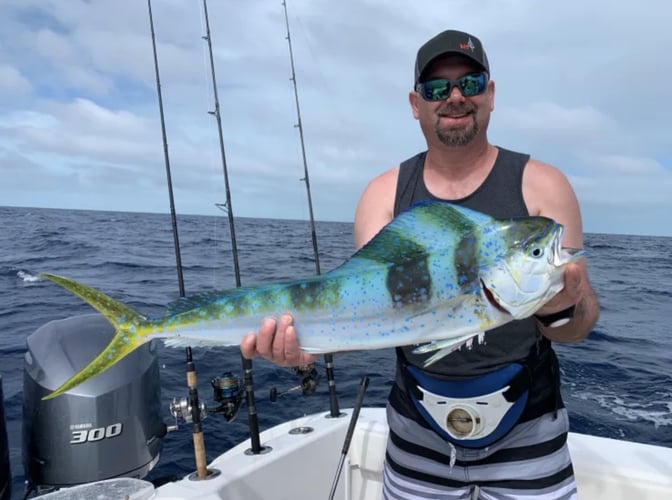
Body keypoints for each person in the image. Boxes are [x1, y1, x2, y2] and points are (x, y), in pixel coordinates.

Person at [241, 29, 599, 500]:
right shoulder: (383, 194)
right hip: (417, 437)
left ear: (490, 95)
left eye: (469, 83)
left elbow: (579, 326)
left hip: (529, 433)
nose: (454, 97)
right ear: (416, 104)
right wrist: (306, 346)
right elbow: (369, 318)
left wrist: (562, 307)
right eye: (436, 89)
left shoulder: (543, 188)